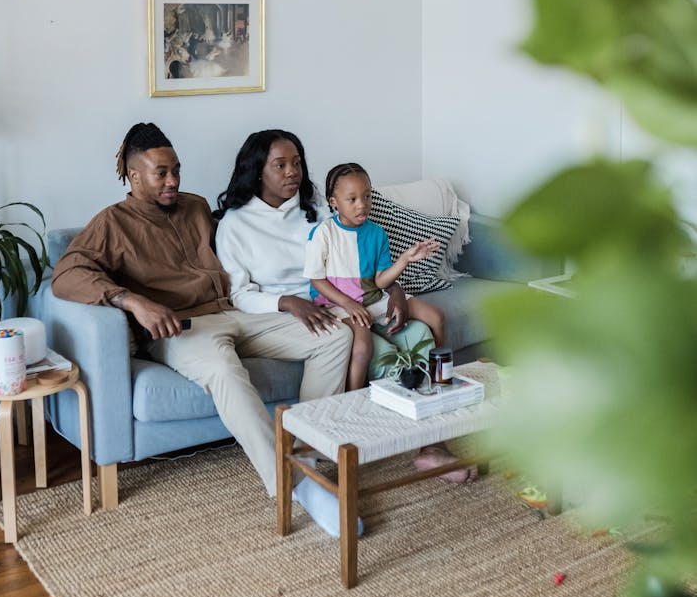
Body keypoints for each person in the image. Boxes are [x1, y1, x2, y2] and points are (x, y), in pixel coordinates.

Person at [51, 122, 356, 534]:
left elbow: (249, 243)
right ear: (133, 175)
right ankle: (296, 484)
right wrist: (132, 301)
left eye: (176, 169)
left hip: (238, 314)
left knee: (336, 334)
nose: (173, 180)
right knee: (224, 369)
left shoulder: (196, 208)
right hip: (181, 328)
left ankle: (305, 453)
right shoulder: (112, 223)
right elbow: (67, 274)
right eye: (162, 173)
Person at [215, 130, 475, 484]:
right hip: (308, 309)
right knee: (362, 341)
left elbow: (360, 266)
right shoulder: (235, 224)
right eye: (280, 165)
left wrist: (397, 290)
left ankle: (433, 443)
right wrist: (289, 303)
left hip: (360, 294)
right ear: (257, 171)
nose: (293, 171)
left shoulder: (320, 211)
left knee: (433, 321)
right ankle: (352, 432)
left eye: (297, 163)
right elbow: (239, 293)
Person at [305, 162, 446, 391]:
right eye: (352, 199)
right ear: (334, 202)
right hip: (338, 306)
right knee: (362, 348)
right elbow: (315, 279)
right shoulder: (323, 233)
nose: (362, 205)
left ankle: (437, 381)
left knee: (437, 317)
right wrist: (349, 304)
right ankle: (352, 400)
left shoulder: (377, 233)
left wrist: (404, 260)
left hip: (374, 299)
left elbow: (381, 281)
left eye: (367, 196)